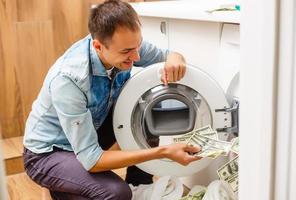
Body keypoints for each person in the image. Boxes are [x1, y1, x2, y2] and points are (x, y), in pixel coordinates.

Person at [23, 0, 201, 199]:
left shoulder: (126, 45)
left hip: (89, 131)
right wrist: (163, 151)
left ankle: (138, 185)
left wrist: (176, 59)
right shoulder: (69, 79)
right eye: (126, 52)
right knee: (116, 194)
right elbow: (91, 159)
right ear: (98, 46)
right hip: (49, 153)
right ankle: (60, 184)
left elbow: (168, 55)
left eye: (138, 46)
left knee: (142, 108)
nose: (136, 56)